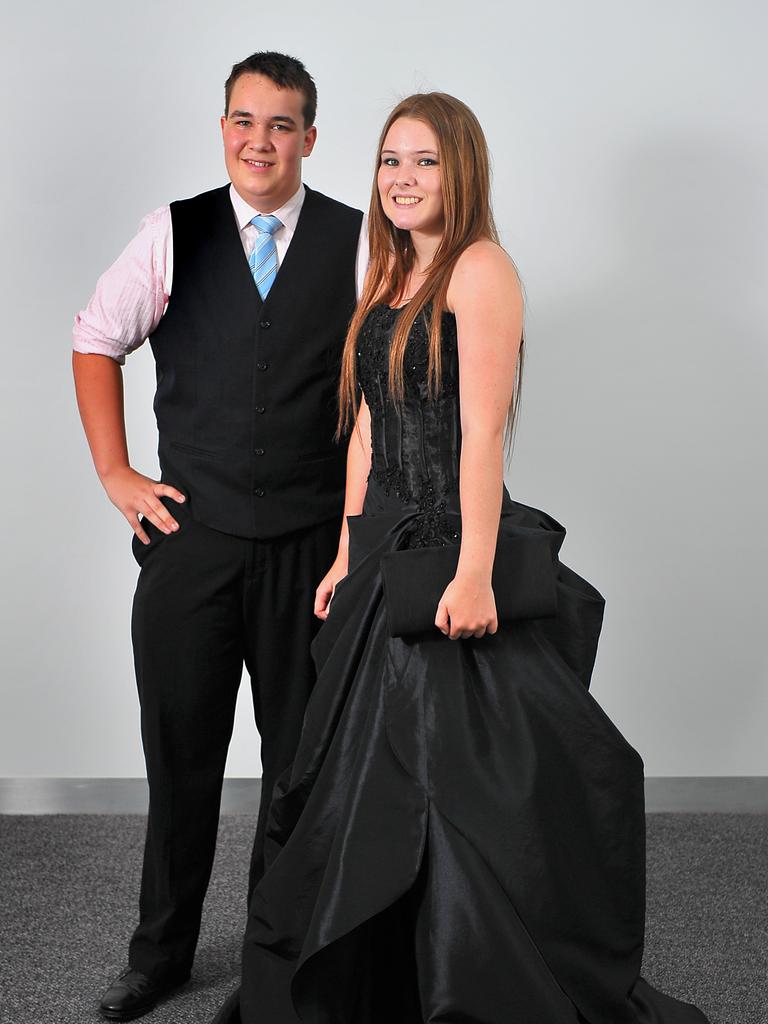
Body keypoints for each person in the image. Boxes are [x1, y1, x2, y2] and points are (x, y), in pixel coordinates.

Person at [211, 91, 711, 1024]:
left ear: (462, 171)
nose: (403, 179)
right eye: (392, 161)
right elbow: (362, 431)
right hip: (382, 557)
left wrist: (475, 569)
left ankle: (466, 981)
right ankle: (383, 975)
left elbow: (483, 437)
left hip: (452, 550)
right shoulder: (387, 275)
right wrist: (342, 555)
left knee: (454, 787)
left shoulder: (482, 270)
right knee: (359, 782)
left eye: (425, 162)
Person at [72, 51, 366, 1021]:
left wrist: (363, 531)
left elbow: (389, 384)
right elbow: (95, 336)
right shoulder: (175, 232)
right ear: (223, 129)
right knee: (181, 755)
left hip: (310, 550)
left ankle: (273, 956)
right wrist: (117, 474)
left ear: (310, 139)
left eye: (281, 124)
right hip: (191, 545)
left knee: (298, 766)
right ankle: (159, 955)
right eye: (243, 121)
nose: (260, 141)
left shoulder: (360, 245)